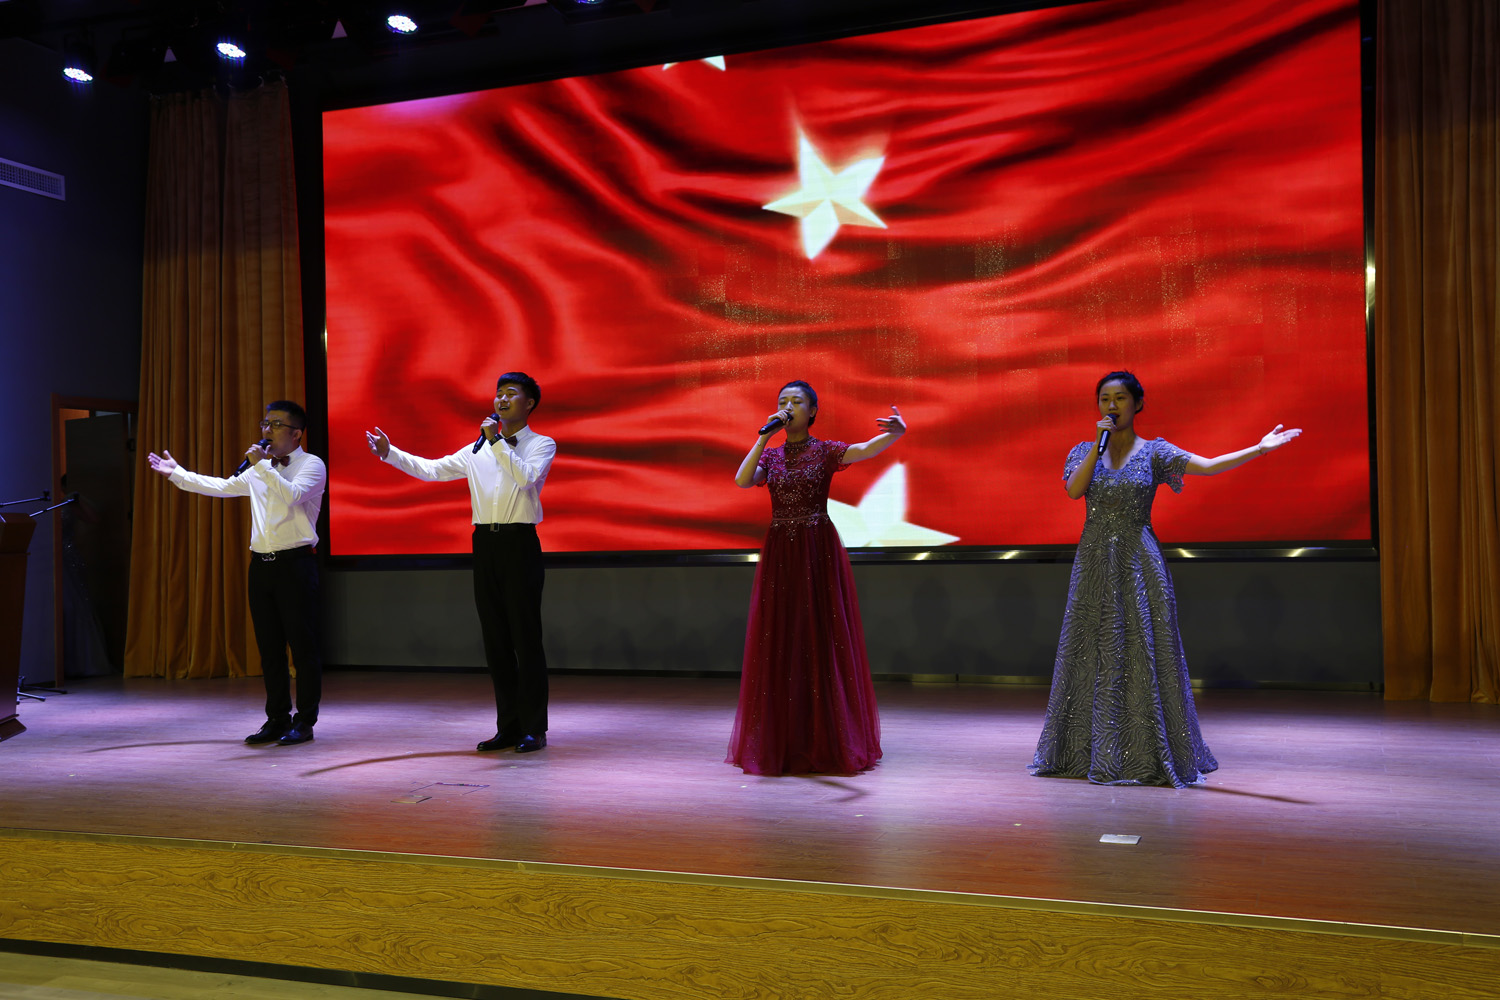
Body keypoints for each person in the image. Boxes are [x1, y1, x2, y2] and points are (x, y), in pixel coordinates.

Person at [1029, 371, 1302, 787]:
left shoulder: (1155, 451)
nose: (1111, 406)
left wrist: (1259, 449)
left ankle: (1147, 750)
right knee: (1089, 650)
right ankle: (1086, 750)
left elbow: (1208, 466)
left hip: (1140, 562)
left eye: (1120, 398)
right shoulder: (1084, 451)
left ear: (1138, 404)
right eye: (1104, 399)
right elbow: (1073, 491)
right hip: (1095, 562)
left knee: (1144, 649)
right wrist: (1097, 446)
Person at [365, 373, 555, 754]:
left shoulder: (541, 444)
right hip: (484, 544)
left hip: (519, 543)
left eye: (511, 394)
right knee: (496, 640)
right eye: (498, 394)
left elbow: (526, 479)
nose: (501, 399)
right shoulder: (476, 450)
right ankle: (508, 727)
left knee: (525, 638)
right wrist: (390, 453)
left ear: (529, 403)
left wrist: (496, 442)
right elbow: (433, 470)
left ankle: (534, 728)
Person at [728, 380, 906, 776]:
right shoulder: (771, 456)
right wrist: (763, 436)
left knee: (818, 637)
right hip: (780, 552)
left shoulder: (824, 451)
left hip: (815, 549)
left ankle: (827, 738)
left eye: (796, 401)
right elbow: (743, 479)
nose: (788, 406)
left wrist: (894, 435)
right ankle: (784, 740)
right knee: (782, 638)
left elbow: (863, 450)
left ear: (812, 412)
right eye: (782, 401)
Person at [147, 401, 327, 746]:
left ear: (296, 434)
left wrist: (263, 467)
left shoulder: (311, 465)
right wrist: (178, 474)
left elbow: (292, 495)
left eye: (276, 424)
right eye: (265, 423)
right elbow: (223, 487)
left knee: (303, 648)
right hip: (261, 566)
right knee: (269, 648)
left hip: (296, 565)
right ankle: (277, 718)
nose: (267, 430)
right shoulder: (261, 469)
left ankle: (305, 721)